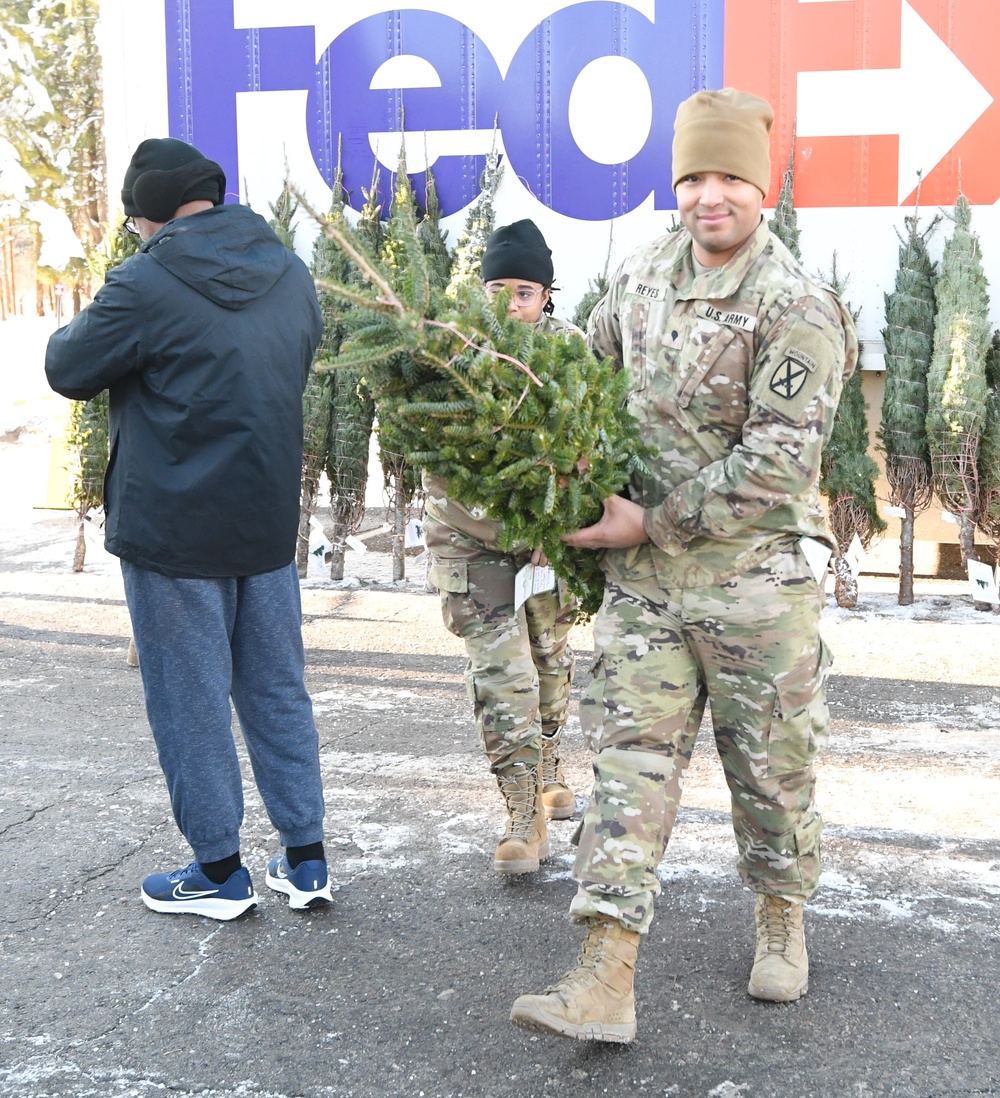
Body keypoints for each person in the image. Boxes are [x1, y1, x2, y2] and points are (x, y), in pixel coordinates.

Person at [510, 89, 858, 1041]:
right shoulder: (637, 277)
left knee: (772, 772)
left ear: (763, 186)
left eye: (731, 178)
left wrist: (649, 521)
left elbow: (781, 460)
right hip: (648, 590)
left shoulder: (797, 307)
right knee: (628, 765)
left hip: (756, 585)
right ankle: (604, 974)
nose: (712, 196)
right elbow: (585, 381)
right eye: (695, 177)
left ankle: (781, 912)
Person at [45, 138, 331, 921]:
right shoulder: (291, 273)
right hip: (265, 522)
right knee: (276, 688)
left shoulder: (144, 280)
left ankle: (218, 872)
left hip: (173, 529)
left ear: (147, 213)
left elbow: (67, 367)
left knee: (190, 699)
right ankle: (306, 861)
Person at [422, 219, 582, 875]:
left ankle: (549, 761)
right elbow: (441, 467)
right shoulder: (451, 359)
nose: (510, 304)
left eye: (525, 291)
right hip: (474, 540)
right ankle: (522, 816)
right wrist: (517, 527)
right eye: (498, 288)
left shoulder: (571, 356)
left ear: (546, 296)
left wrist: (556, 526)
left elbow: (593, 454)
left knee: (548, 659)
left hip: (551, 544)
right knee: (501, 672)